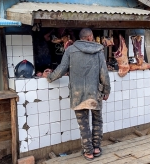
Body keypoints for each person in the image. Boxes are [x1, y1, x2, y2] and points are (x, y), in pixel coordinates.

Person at [43, 28, 110, 161]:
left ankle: (88, 152)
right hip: (95, 93)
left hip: (77, 93)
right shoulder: (99, 51)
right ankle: (96, 148)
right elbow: (104, 74)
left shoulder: (70, 50)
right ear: (90, 37)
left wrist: (49, 77)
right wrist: (106, 91)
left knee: (83, 124)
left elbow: (61, 69)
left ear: (80, 38)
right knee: (97, 120)